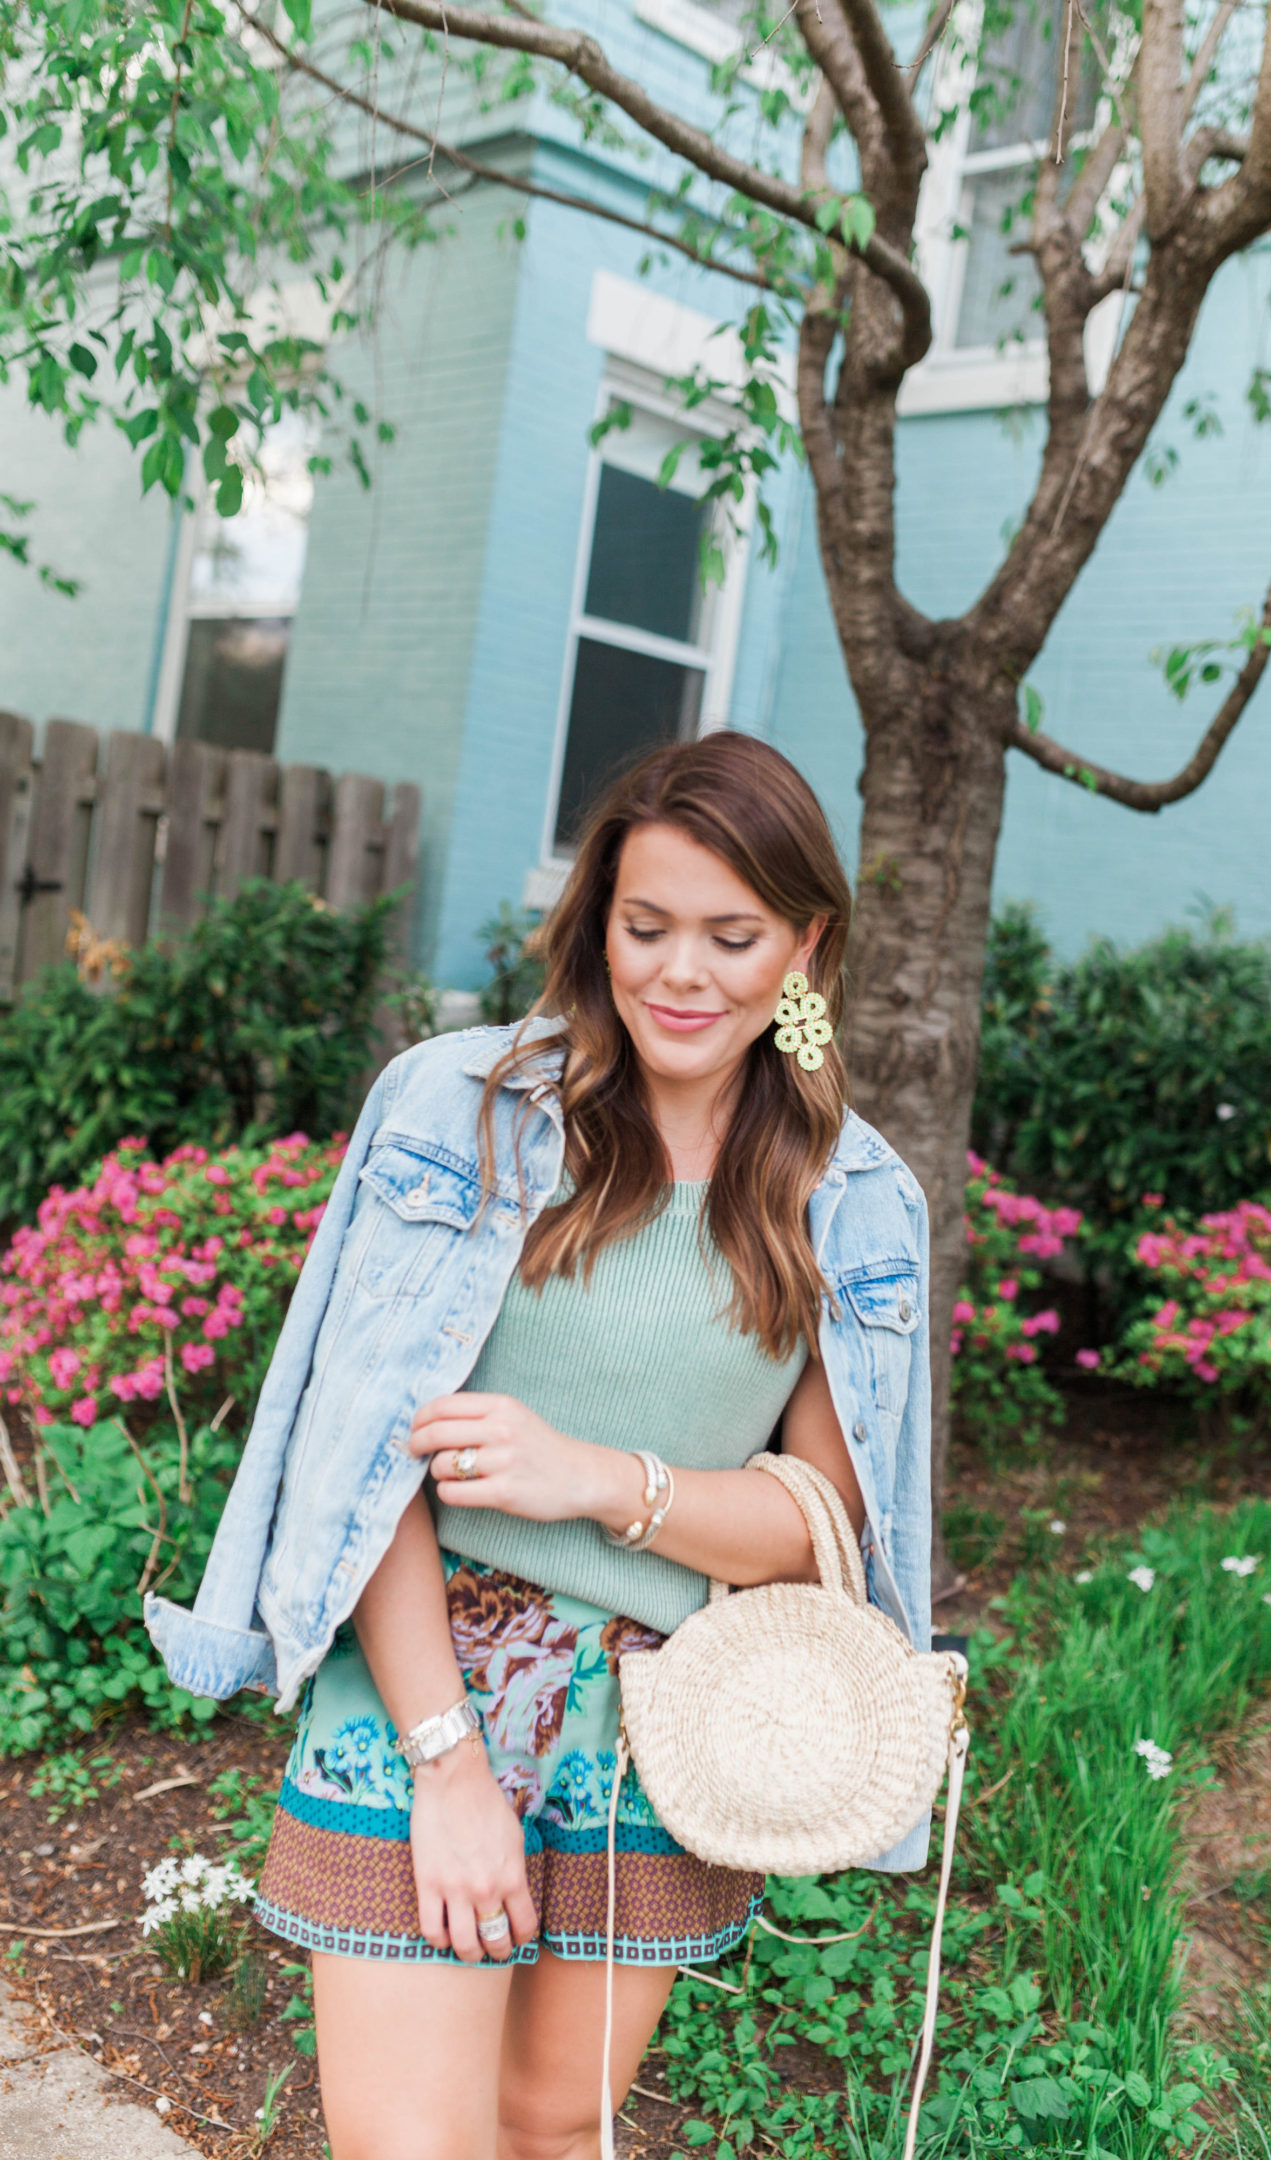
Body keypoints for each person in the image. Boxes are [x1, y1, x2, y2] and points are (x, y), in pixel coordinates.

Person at [146, 732, 932, 2160]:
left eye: (732, 935)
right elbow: (363, 1457)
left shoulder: (851, 1196)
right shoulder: (464, 1111)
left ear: (806, 946)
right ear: (598, 925)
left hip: (658, 1725)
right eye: (646, 928)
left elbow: (817, 1522)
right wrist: (447, 1766)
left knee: (554, 2132)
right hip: (421, 1689)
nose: (680, 975)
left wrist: (597, 1480)